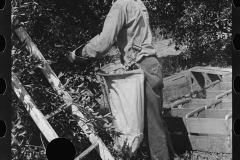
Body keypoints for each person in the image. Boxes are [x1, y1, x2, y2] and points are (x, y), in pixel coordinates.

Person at [68, 0, 177, 159]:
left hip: (140, 70)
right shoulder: (137, 2)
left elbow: (103, 44)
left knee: (146, 125)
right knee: (155, 121)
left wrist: (77, 54)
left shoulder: (120, 5)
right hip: (152, 63)